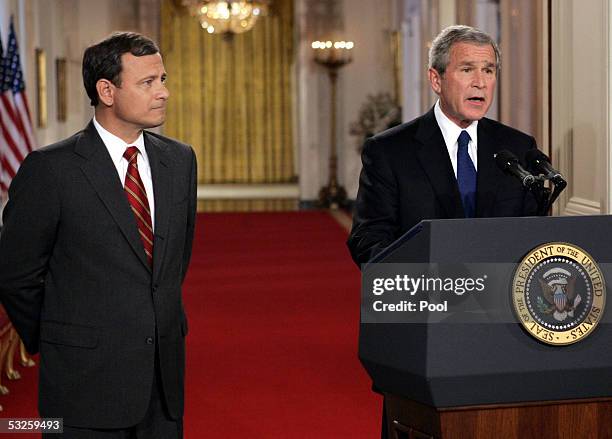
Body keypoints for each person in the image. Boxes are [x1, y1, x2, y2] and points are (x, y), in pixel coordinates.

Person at [0, 32, 196, 438]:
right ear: (106, 90)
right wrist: (64, 337)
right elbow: (16, 275)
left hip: (163, 385)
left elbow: (172, 264)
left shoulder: (180, 161)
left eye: (162, 79)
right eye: (148, 82)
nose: (164, 92)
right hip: (82, 387)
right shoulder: (49, 169)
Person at [347, 25, 539, 437]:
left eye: (488, 70)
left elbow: (532, 239)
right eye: (467, 68)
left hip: (502, 335)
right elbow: (367, 241)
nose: (480, 82)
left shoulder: (518, 149)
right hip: (426, 334)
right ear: (436, 79)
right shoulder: (389, 151)